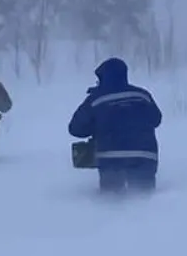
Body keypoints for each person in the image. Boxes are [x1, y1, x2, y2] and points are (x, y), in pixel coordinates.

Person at [67, 57, 162, 194]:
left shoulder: (96, 99)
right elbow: (156, 119)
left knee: (112, 204)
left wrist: (97, 124)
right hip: (144, 156)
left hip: (111, 158)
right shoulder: (142, 95)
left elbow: (75, 128)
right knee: (144, 199)